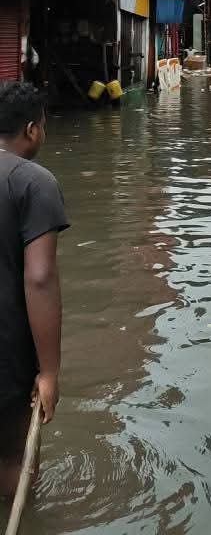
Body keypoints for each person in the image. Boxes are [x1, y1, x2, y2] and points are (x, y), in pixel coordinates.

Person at [0, 82, 68, 497]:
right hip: (7, 354)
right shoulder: (33, 183)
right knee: (12, 461)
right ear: (31, 130)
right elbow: (39, 278)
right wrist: (50, 372)